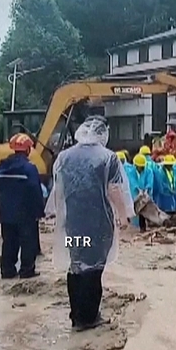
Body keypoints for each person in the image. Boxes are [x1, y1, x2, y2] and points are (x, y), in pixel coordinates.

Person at [47, 117, 133, 332]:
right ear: (102, 134)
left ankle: (76, 315)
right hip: (97, 224)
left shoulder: (64, 157)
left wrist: (59, 216)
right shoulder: (108, 158)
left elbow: (58, 190)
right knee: (94, 269)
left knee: (76, 264)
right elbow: (114, 189)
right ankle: (89, 317)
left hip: (73, 223)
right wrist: (123, 218)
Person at [0, 133, 45, 279]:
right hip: (25, 213)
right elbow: (35, 190)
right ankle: (26, 271)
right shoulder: (29, 168)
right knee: (28, 242)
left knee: (9, 242)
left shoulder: (3, 166)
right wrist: (40, 211)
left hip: (6, 213)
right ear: (28, 149)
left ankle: (7, 271)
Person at [127, 154, 154, 230]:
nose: (141, 168)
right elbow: (132, 182)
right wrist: (138, 190)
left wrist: (146, 190)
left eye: (142, 167)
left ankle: (144, 226)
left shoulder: (148, 171)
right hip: (135, 194)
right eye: (139, 167)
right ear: (135, 165)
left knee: (145, 210)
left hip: (145, 194)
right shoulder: (131, 172)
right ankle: (134, 226)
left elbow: (150, 181)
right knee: (135, 210)